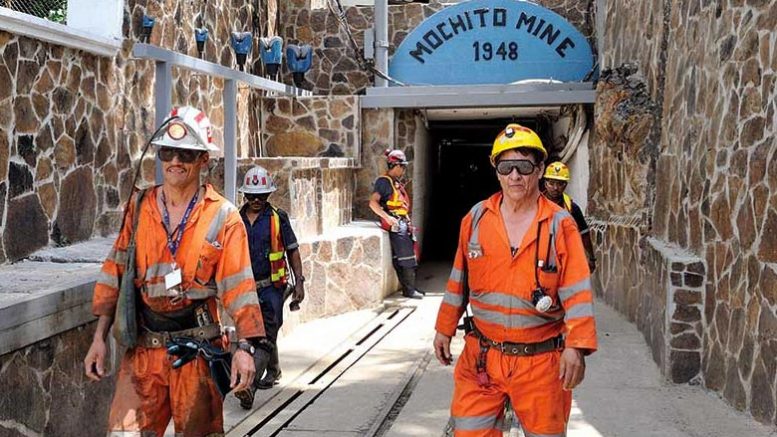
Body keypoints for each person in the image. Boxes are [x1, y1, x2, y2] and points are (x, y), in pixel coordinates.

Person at [83, 106, 270, 436]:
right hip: (143, 352)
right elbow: (116, 270)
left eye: (186, 153)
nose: (175, 161)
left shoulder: (223, 217)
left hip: (197, 353)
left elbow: (240, 287)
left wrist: (244, 349)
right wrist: (99, 338)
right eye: (167, 152)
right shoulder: (140, 207)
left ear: (203, 159)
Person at [433, 124, 598, 437]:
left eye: (523, 166)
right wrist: (444, 327)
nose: (514, 176)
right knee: (469, 431)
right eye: (506, 167)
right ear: (496, 171)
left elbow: (577, 291)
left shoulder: (560, 225)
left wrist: (576, 347)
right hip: (482, 359)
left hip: (540, 363)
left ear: (539, 170)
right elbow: (459, 280)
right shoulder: (476, 219)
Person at [234, 165, 306, 409]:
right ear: (245, 194)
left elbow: (292, 250)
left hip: (272, 287)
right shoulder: (235, 219)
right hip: (245, 288)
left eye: (261, 195)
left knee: (265, 338)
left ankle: (249, 387)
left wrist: (299, 282)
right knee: (254, 334)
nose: (256, 200)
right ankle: (273, 370)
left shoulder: (278, 217)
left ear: (268, 194)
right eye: (251, 195)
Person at [369, 149, 424, 299]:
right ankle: (409, 290)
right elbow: (373, 203)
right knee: (406, 257)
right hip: (396, 223)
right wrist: (387, 217)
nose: (404, 170)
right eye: (403, 166)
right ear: (396, 165)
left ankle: (409, 288)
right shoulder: (384, 182)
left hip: (402, 221)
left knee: (409, 256)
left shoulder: (395, 182)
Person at [542, 161, 597, 272]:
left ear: (565, 185)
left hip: (565, 260)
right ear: (545, 183)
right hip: (540, 258)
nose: (555, 188)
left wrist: (591, 258)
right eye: (551, 183)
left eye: (560, 184)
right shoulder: (535, 205)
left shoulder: (572, 208)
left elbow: (584, 234)